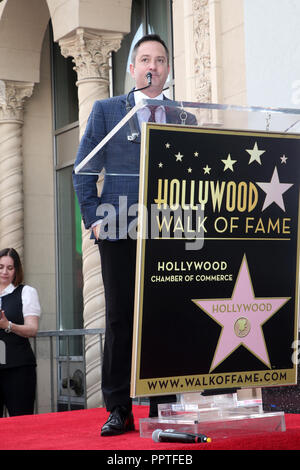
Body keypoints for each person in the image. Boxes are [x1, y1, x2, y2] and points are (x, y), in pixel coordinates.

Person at [73, 34, 196, 436]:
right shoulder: (110, 111)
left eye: (161, 60)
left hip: (169, 232)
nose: (153, 66)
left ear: (168, 69)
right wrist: (93, 216)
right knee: (121, 319)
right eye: (145, 59)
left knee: (166, 317)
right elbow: (83, 168)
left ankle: (164, 407)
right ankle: (119, 409)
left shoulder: (184, 117)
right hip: (119, 228)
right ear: (132, 68)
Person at [0, 248, 41, 417]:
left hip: (18, 370)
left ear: (17, 270)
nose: (4, 272)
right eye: (1, 266)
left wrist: (7, 325)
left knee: (21, 423)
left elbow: (32, 329)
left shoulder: (26, 292)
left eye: (10, 268)